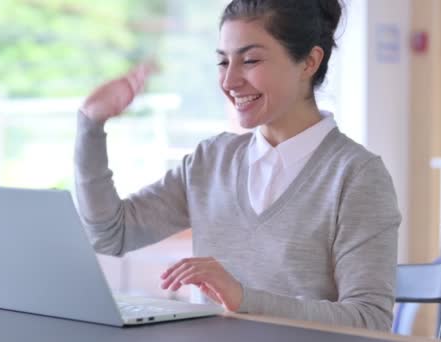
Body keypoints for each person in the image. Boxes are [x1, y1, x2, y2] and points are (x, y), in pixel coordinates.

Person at [74, 0, 401, 331]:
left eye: (250, 60)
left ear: (309, 62)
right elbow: (110, 234)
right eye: (222, 61)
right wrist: (91, 124)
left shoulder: (356, 175)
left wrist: (243, 298)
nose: (229, 81)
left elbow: (369, 320)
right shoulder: (211, 161)